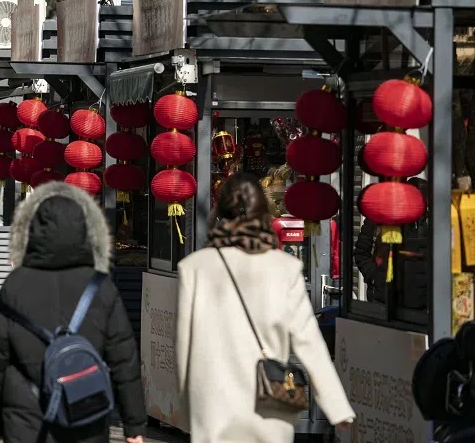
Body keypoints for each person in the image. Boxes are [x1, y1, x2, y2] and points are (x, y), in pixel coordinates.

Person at [174, 173, 354, 443]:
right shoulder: (284, 268)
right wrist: (336, 406)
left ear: (220, 213)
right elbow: (308, 341)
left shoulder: (194, 268)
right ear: (263, 214)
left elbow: (183, 346)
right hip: (269, 402)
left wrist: (188, 406)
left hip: (213, 405)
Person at [0, 182, 145, 442]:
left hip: (26, 415)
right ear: (84, 232)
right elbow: (124, 358)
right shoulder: (100, 286)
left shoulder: (16, 283)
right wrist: (134, 424)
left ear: (33, 232)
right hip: (84, 408)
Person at [354, 177, 428, 309]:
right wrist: (375, 277)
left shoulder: (429, 225)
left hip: (419, 305)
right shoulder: (378, 218)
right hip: (382, 300)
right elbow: (361, 252)